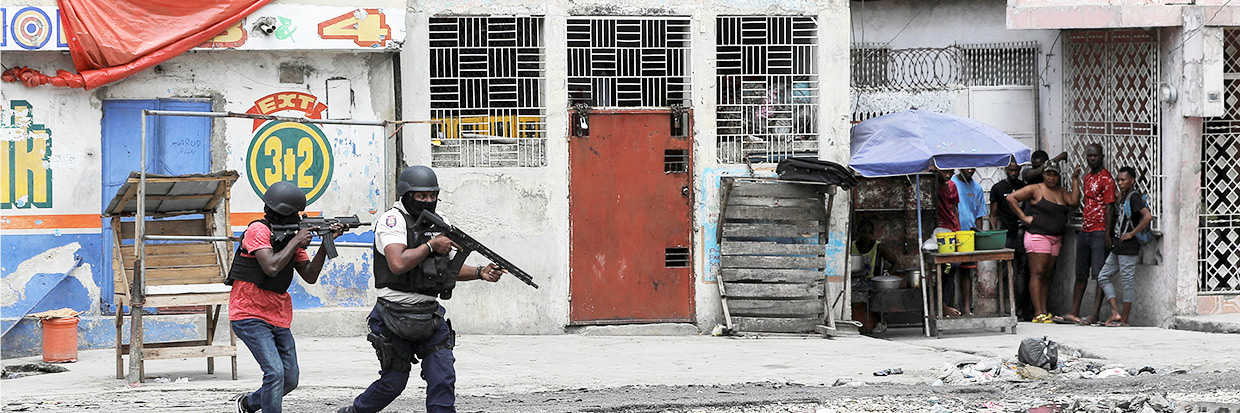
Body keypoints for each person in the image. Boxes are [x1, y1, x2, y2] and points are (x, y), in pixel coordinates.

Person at [338, 165, 506, 413]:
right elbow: (397, 263)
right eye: (421, 196)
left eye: (432, 195)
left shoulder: (440, 223)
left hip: (429, 315)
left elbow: (446, 268)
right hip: (393, 315)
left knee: (442, 376)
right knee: (393, 383)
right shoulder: (392, 221)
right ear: (407, 195)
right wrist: (431, 245)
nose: (428, 201)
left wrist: (481, 272)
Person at [228, 181, 344, 413]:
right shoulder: (258, 231)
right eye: (293, 214)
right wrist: (295, 241)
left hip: (277, 315)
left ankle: (248, 404)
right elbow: (270, 267)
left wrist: (325, 242)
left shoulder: (291, 236)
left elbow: (310, 275)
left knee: (290, 378)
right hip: (248, 313)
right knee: (275, 372)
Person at [1006, 161, 1081, 324]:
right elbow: (1012, 198)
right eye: (1048, 174)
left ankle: (1044, 310)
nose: (1051, 178)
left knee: (1047, 274)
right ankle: (1038, 312)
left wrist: (1075, 179)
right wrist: (1024, 217)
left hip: (1056, 237)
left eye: (1054, 174)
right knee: (1037, 273)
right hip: (1038, 236)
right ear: (1043, 175)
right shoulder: (1036, 188)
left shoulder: (1061, 192)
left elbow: (1074, 201)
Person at [1058, 144, 1116, 325]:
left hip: (1099, 230)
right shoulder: (1087, 177)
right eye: (1089, 156)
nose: (1092, 159)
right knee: (1080, 272)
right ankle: (1074, 311)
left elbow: (1110, 207)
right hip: (1085, 230)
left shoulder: (1106, 179)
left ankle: (1095, 313)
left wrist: (1107, 233)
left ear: (1102, 156)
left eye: (1095, 156)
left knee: (1099, 274)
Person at [1096, 166, 1152, 327]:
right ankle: (1115, 312)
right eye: (1118, 180)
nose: (1120, 183)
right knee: (1103, 276)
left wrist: (1132, 233)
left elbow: (1147, 217)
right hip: (1119, 245)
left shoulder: (1134, 197)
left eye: (1123, 180)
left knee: (1128, 281)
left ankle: (1124, 319)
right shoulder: (1124, 196)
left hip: (1129, 246)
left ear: (1132, 180)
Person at [988, 160, 1032, 321]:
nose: (1013, 173)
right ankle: (1003, 308)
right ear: (1005, 169)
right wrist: (994, 234)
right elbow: (993, 214)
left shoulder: (1024, 187)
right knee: (1005, 273)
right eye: (1010, 170)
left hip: (1022, 235)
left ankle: (1021, 309)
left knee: (1022, 272)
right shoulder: (998, 188)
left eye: (1016, 170)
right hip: (1006, 236)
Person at [850, 218, 900, 334]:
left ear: (872, 234)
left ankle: (880, 321)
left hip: (873, 282)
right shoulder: (851, 246)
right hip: (854, 281)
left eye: (867, 233)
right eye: (861, 233)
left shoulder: (879, 247)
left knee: (876, 296)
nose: (864, 236)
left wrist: (886, 276)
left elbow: (896, 263)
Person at [951, 168, 986, 316]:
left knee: (967, 272)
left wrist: (978, 238)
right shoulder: (952, 183)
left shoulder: (977, 188)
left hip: (968, 236)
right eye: (967, 167)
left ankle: (966, 309)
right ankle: (949, 308)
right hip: (951, 234)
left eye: (973, 167)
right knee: (949, 271)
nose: (970, 170)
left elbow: (979, 216)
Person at [933, 167, 962, 317]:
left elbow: (954, 208)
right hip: (936, 232)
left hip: (951, 231)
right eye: (944, 171)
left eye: (950, 172)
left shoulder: (952, 186)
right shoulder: (930, 184)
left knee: (951, 267)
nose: (948, 175)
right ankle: (942, 305)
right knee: (942, 268)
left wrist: (959, 231)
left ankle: (945, 305)